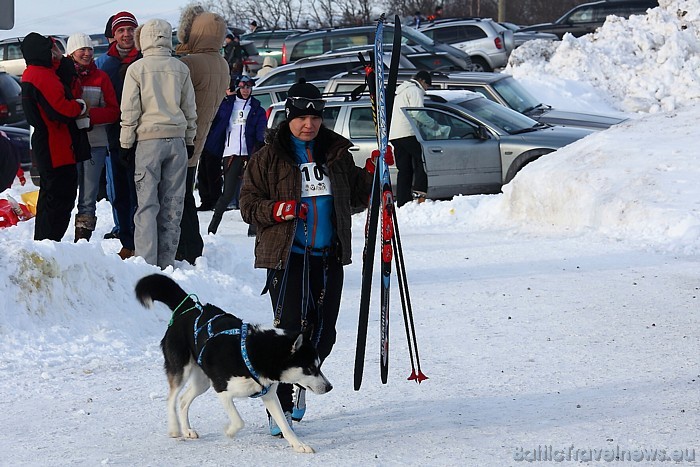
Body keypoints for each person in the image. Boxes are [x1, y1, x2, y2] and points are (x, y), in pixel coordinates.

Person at [239, 78, 373, 435]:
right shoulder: (267, 158)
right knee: (290, 336)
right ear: (288, 117)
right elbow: (248, 206)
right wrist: (279, 209)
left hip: (327, 256)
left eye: (315, 118)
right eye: (301, 118)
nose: (308, 124)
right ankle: (278, 408)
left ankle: (300, 382)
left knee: (324, 334)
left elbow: (356, 198)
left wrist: (377, 173)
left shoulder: (335, 155)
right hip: (288, 256)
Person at [119, 18, 197, 269]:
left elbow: (130, 110)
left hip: (148, 143)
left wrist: (126, 143)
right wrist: (189, 139)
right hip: (176, 141)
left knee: (147, 205)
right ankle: (167, 262)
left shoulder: (136, 69)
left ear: (144, 39)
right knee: (173, 205)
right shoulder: (180, 69)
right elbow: (189, 109)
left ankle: (146, 264)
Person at [20, 33, 91, 242]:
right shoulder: (41, 75)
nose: (58, 54)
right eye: (54, 49)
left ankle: (45, 242)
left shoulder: (35, 73)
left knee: (51, 198)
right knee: (59, 198)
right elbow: (60, 110)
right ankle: (49, 243)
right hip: (55, 146)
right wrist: (79, 106)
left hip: (51, 144)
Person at [174, 5, 230, 264]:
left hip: (182, 139)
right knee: (186, 193)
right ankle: (191, 244)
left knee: (180, 197)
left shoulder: (191, 63)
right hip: (201, 136)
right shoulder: (221, 63)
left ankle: (187, 246)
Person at [65, 33, 120, 242]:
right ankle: (58, 238)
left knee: (88, 197)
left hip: (94, 144)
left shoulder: (100, 77)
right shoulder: (64, 76)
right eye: (82, 49)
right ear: (72, 53)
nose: (87, 53)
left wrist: (90, 116)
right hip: (68, 144)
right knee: (67, 193)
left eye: (89, 49)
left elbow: (114, 111)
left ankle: (82, 239)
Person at [97, 11, 141, 259]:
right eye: (121, 31)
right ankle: (127, 240)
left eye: (130, 30)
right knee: (121, 193)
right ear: (113, 36)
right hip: (114, 137)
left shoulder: (145, 59)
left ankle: (145, 240)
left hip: (143, 136)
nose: (126, 35)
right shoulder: (104, 64)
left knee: (143, 192)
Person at [206, 75, 267, 235]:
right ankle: (212, 227)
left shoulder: (256, 108)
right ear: (238, 87)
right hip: (230, 153)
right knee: (227, 193)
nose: (246, 90)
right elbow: (216, 122)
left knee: (252, 190)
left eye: (248, 87)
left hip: (250, 154)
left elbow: (261, 129)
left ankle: (253, 227)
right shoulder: (227, 105)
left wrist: (260, 143)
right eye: (243, 87)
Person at [389, 70, 438, 207]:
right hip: (408, 133)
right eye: (427, 85)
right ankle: (420, 193)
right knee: (422, 161)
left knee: (404, 169)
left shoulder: (401, 91)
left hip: (395, 134)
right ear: (422, 81)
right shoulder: (415, 91)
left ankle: (403, 201)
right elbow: (418, 113)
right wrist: (433, 125)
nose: (426, 89)